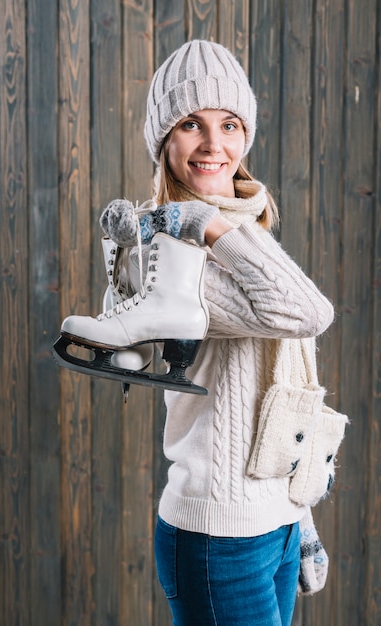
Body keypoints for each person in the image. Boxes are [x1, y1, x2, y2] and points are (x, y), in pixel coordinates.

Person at [59, 40, 347, 625]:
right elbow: (307, 311)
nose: (215, 145)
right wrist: (205, 223)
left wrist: (300, 520)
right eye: (192, 124)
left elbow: (273, 401)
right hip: (222, 535)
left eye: (231, 124)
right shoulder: (168, 255)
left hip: (277, 524)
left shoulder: (242, 236)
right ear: (164, 141)